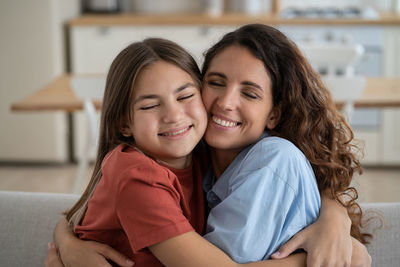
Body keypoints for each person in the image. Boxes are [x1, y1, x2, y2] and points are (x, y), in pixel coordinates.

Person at [46, 25, 371, 267]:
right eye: (215, 83)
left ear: (274, 113)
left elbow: (313, 182)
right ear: (125, 122)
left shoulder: (195, 155)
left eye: (250, 92)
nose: (226, 103)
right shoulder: (153, 163)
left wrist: (334, 220)